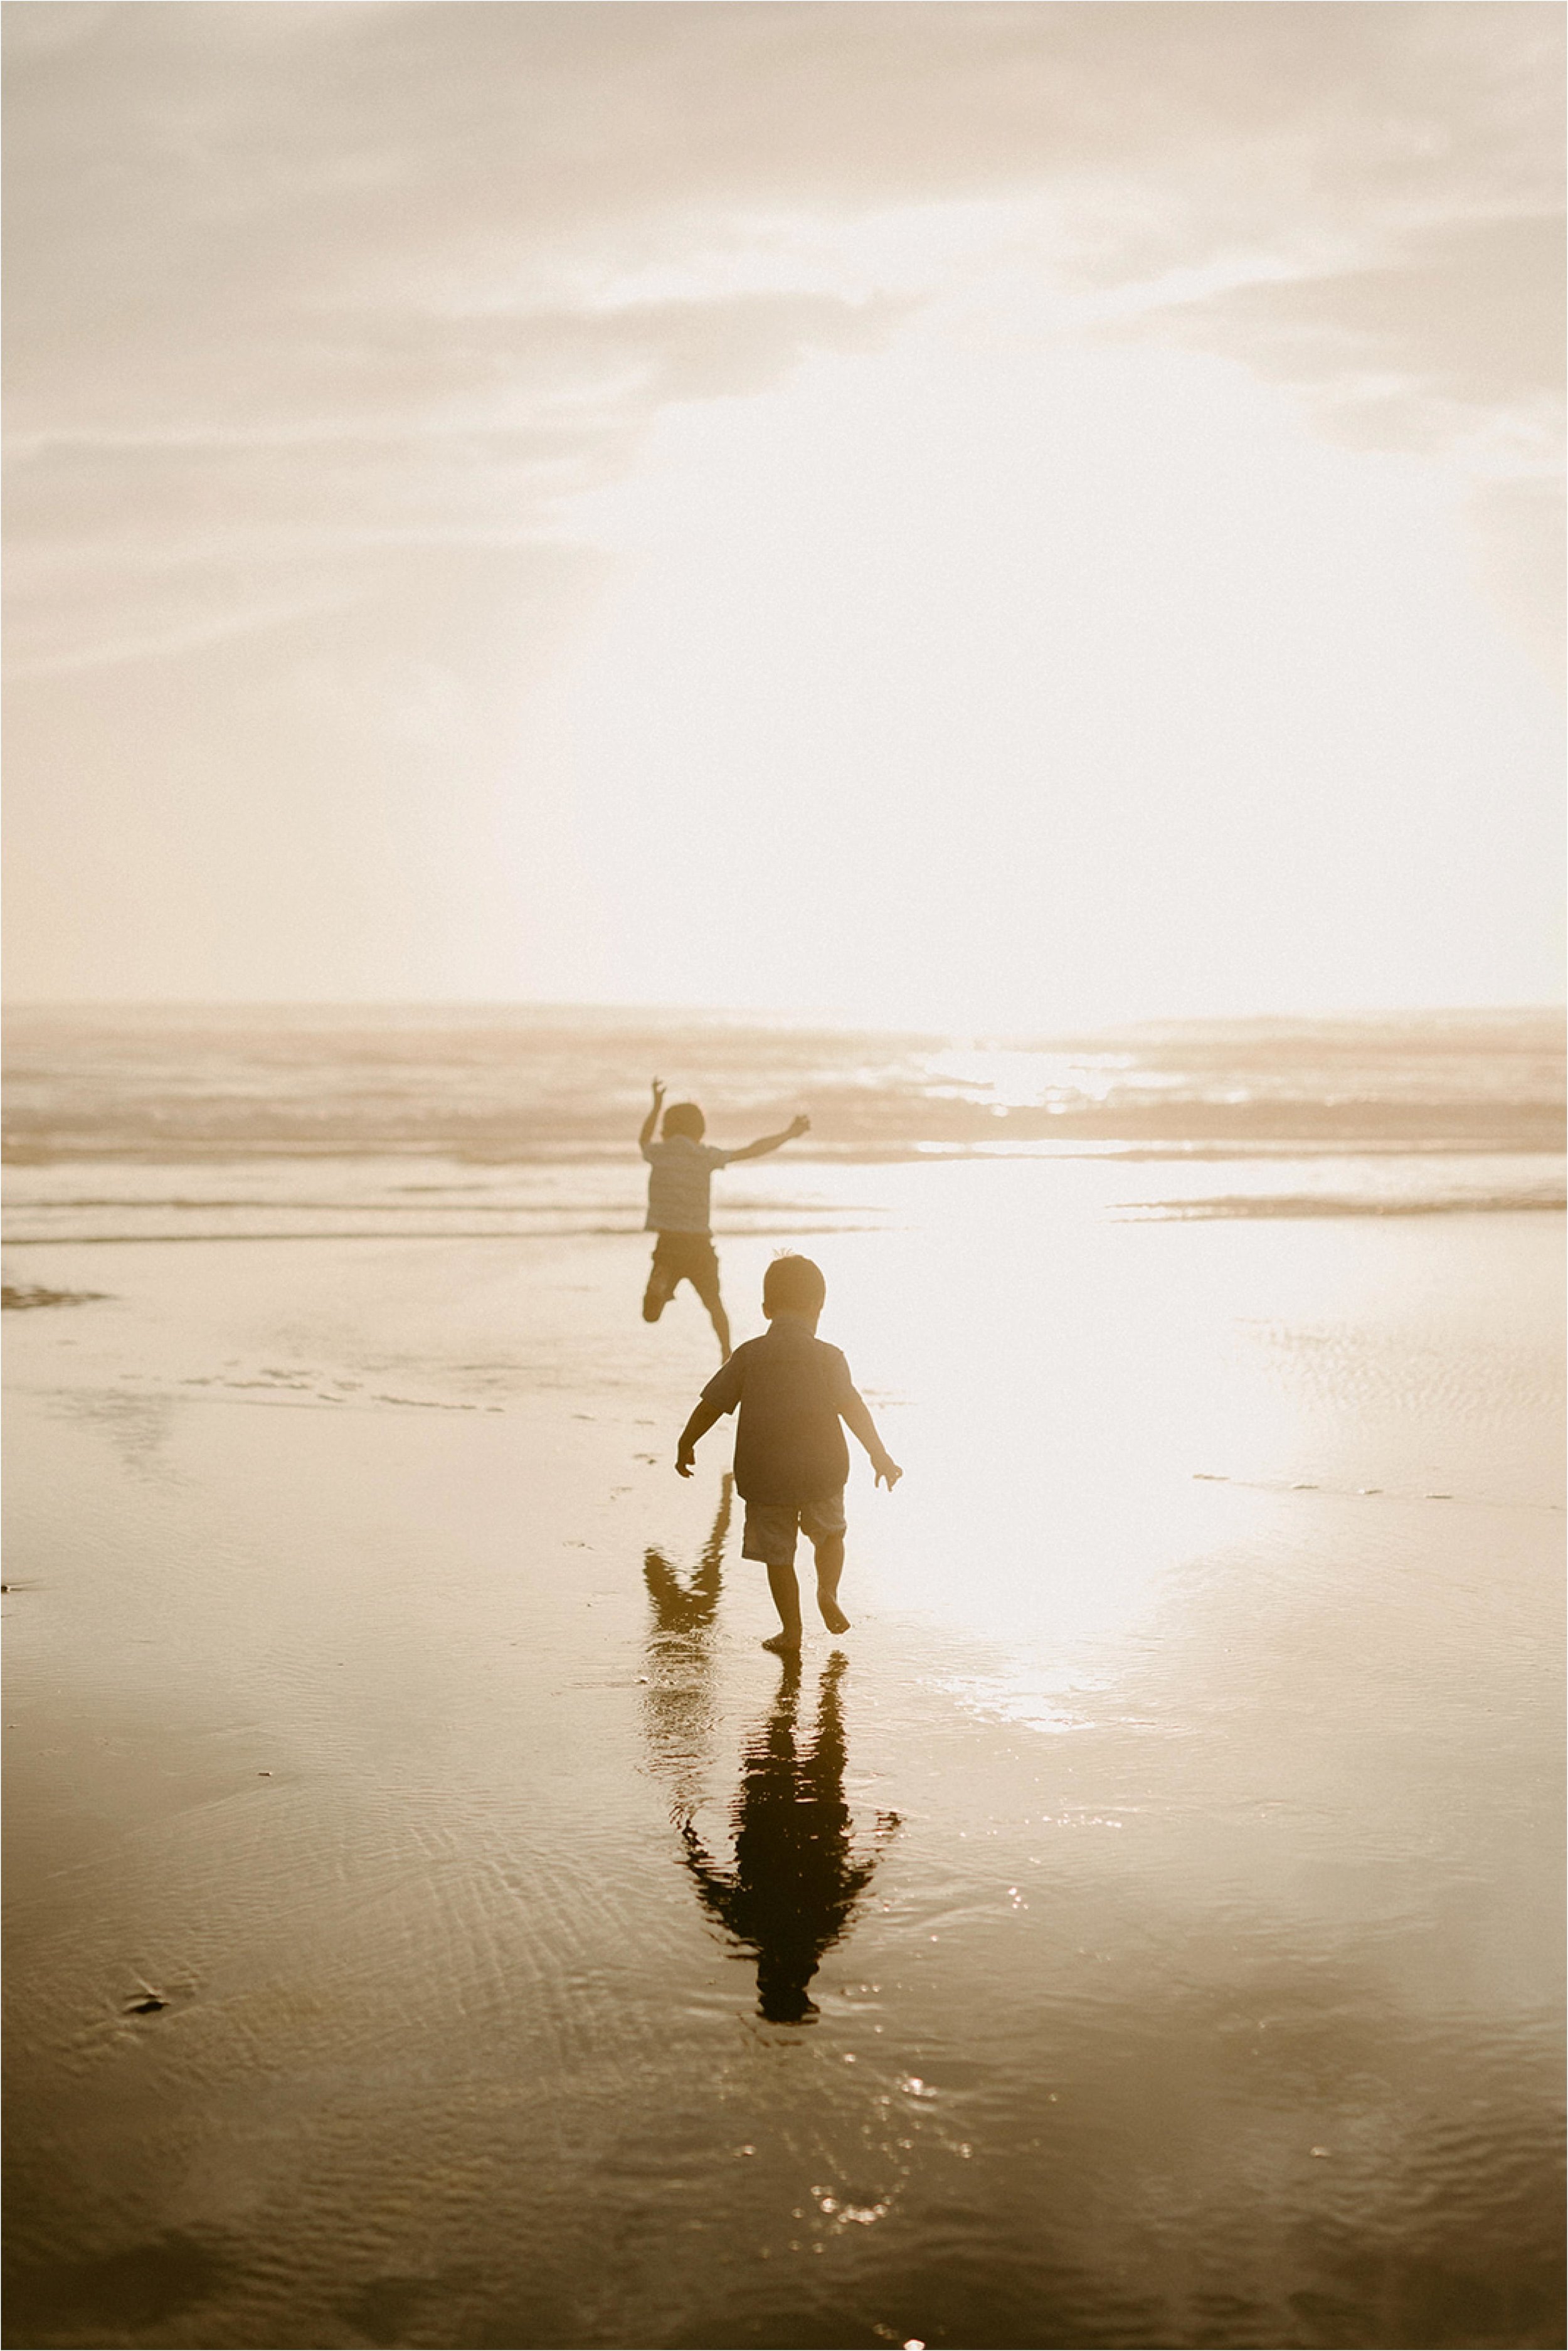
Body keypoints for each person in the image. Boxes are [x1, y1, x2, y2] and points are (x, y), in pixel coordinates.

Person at [674, 1253, 901, 1653]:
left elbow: (711, 1404)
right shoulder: (830, 1357)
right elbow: (853, 1408)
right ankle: (828, 1592)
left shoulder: (748, 1355)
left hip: (766, 1477)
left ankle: (791, 1631)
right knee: (829, 1536)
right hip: (822, 1471)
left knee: (778, 1557)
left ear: (766, 1308)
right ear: (819, 1306)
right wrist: (878, 1455)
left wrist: (687, 1441)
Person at [638, 1078, 809, 1359]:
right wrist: (789, 1134)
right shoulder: (705, 1156)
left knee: (650, 1315)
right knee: (714, 1304)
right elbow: (752, 1150)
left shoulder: (658, 1153)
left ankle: (660, 1285)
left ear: (667, 1128)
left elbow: (643, 1140)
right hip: (698, 1244)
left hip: (668, 1243)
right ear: (700, 1130)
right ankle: (726, 1352)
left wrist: (656, 1105)